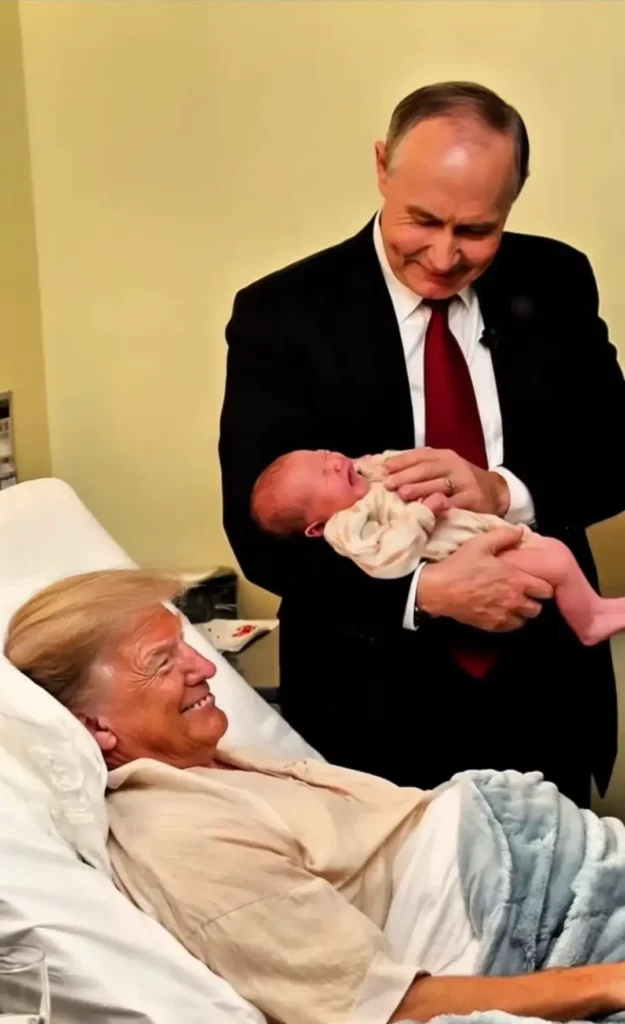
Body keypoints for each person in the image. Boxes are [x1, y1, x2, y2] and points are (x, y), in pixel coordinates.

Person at [219, 80, 625, 806]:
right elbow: (259, 534)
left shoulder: (557, 280)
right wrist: (422, 592)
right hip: (368, 703)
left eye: (476, 230)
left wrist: (502, 490)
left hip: (544, 691)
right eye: (423, 220)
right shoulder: (280, 313)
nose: (443, 255)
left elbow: (616, 452)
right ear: (382, 167)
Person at [7, 568, 625, 1024]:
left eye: (187, 643)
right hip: (531, 914)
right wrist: (608, 983)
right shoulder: (180, 841)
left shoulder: (205, 764)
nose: (206, 668)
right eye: (163, 661)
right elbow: (390, 1008)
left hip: (555, 863)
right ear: (90, 727)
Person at [250, 447, 625, 647]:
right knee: (555, 559)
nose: (334, 462)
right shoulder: (348, 525)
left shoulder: (364, 479)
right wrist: (422, 516)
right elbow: (388, 557)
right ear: (316, 528)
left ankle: (593, 610)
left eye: (323, 453)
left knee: (555, 553)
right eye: (322, 475)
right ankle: (590, 621)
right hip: (468, 558)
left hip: (482, 530)